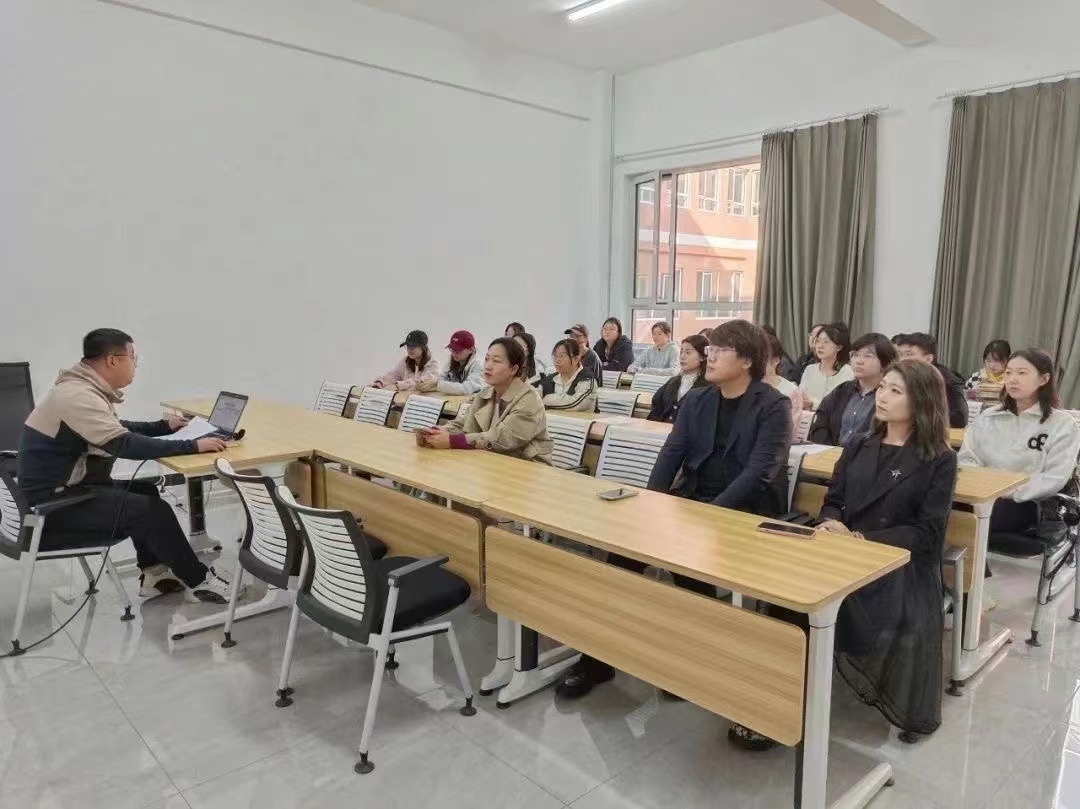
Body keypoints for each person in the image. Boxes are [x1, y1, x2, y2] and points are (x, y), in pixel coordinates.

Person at [556, 321, 793, 700]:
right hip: (692, 501)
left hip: (745, 511)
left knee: (688, 556)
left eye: (720, 350)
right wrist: (653, 504)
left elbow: (760, 472)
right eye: (710, 349)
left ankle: (691, 661)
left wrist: (707, 516)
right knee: (621, 552)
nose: (710, 356)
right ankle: (597, 657)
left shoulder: (773, 406)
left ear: (747, 360)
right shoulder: (698, 400)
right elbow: (671, 454)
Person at [16, 329, 238, 604]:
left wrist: (163, 427)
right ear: (113, 360)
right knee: (151, 512)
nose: (136, 365)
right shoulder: (76, 395)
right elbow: (124, 444)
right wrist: (192, 445)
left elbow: (117, 428)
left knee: (145, 491)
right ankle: (200, 582)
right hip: (51, 509)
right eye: (133, 357)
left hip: (61, 494)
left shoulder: (82, 389)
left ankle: (155, 573)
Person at [816, 359, 958, 744]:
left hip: (900, 564)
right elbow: (834, 500)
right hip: (844, 552)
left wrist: (860, 539)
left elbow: (928, 533)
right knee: (788, 599)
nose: (883, 397)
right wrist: (831, 523)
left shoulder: (939, 458)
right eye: (883, 388)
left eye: (896, 391)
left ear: (922, 401)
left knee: (890, 610)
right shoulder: (859, 444)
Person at [958, 349, 1080, 547]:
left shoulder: (1062, 424)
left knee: (974, 520)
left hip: (1028, 503)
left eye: (1022, 373)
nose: (1012, 379)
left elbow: (1054, 477)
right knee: (941, 510)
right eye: (1008, 372)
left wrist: (1007, 493)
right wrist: (981, 490)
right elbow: (967, 459)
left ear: (1043, 379)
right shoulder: (989, 416)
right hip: (982, 496)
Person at [415, 338, 552, 463]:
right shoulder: (485, 393)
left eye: (496, 361)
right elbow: (463, 424)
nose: (488, 366)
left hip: (525, 466)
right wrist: (434, 433)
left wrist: (451, 440)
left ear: (514, 369)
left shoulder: (529, 399)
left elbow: (502, 439)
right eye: (487, 359)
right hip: (490, 461)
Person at [810, 333, 897, 446]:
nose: (859, 361)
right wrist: (830, 450)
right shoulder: (842, 390)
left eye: (868, 356)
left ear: (885, 362)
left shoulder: (889, 397)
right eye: (855, 355)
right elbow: (820, 422)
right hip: (831, 453)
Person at [893, 333, 969, 428]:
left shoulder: (947, 381)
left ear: (928, 359)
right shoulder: (897, 377)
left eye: (909, 354)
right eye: (900, 355)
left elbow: (959, 420)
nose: (902, 360)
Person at [647, 335, 709, 423]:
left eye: (688, 352)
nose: (682, 356)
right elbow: (655, 410)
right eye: (681, 352)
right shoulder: (672, 382)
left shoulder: (708, 387)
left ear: (702, 357)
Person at [799, 322, 854, 410]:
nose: (820, 346)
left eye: (826, 342)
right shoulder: (809, 369)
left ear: (839, 347)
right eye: (818, 341)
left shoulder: (848, 372)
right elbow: (800, 397)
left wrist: (813, 404)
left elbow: (843, 405)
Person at [416, 330, 485, 396]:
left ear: (471, 349)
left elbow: (466, 388)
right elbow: (442, 378)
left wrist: (437, 385)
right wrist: (427, 384)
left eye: (458, 350)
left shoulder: (478, 365)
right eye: (452, 349)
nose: (453, 353)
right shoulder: (453, 361)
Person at [536, 338, 597, 412]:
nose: (557, 360)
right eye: (555, 356)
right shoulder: (549, 379)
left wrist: (547, 400)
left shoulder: (587, 379)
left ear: (576, 359)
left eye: (561, 356)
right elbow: (534, 400)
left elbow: (575, 404)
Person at [763, 332, 806, 434]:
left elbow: (790, 430)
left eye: (763, 358)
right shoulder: (746, 386)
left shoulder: (791, 391)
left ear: (776, 360)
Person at [372, 330, 441, 392]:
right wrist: (380, 383)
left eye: (413, 346)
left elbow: (421, 384)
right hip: (406, 400)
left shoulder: (433, 364)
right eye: (408, 346)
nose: (409, 350)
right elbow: (394, 375)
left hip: (422, 401)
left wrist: (398, 386)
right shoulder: (405, 361)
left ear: (423, 347)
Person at [965, 339, 1011, 405]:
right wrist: (972, 394)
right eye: (988, 361)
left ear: (1008, 359)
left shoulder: (1012, 379)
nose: (992, 365)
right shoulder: (975, 377)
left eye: (997, 361)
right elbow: (963, 401)